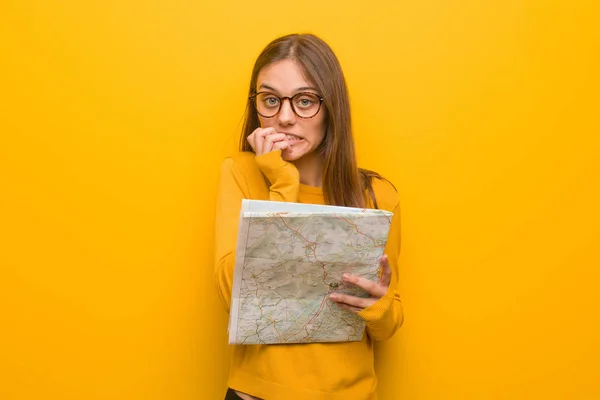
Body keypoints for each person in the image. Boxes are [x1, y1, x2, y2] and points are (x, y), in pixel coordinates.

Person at [213, 33, 404, 400]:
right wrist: (282, 182)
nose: (284, 118)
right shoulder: (239, 172)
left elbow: (390, 319)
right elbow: (229, 292)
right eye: (270, 100)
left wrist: (378, 306)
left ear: (331, 107)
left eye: (304, 101)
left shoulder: (379, 195)